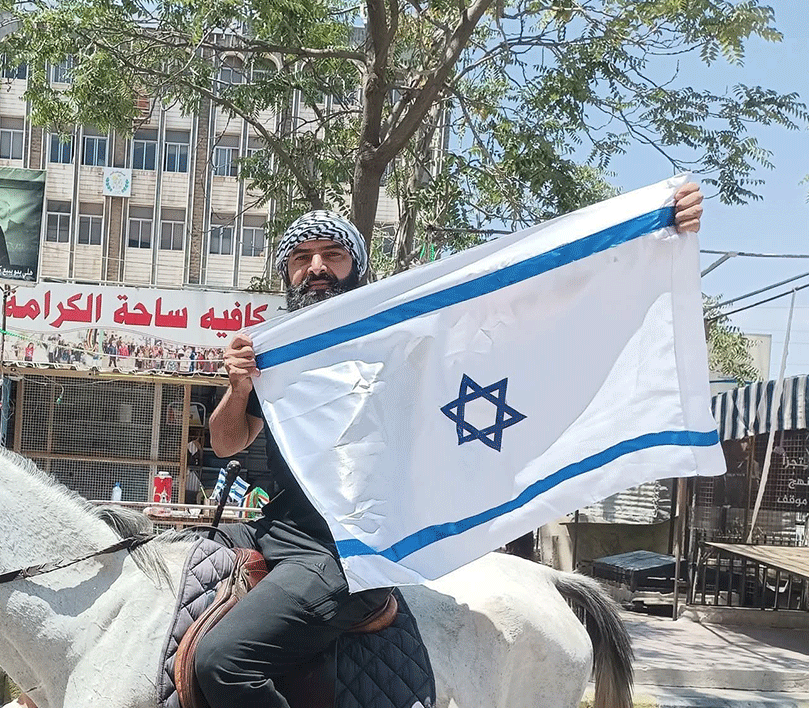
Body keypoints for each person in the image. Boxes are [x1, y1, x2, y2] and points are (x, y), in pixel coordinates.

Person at [199, 184, 704, 708]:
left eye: (333, 254)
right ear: (287, 274)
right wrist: (239, 388)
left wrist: (656, 227)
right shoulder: (278, 354)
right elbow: (225, 440)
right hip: (277, 530)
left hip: (349, 551)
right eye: (302, 258)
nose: (317, 266)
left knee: (224, 664)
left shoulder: (403, 340)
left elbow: (522, 306)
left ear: (359, 269)